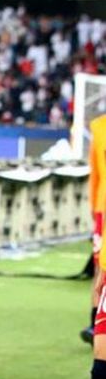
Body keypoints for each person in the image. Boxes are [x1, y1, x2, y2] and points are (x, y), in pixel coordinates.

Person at [85, 115, 106, 345]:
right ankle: (96, 323)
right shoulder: (99, 127)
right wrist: (93, 206)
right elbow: (95, 172)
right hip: (103, 207)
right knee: (101, 266)